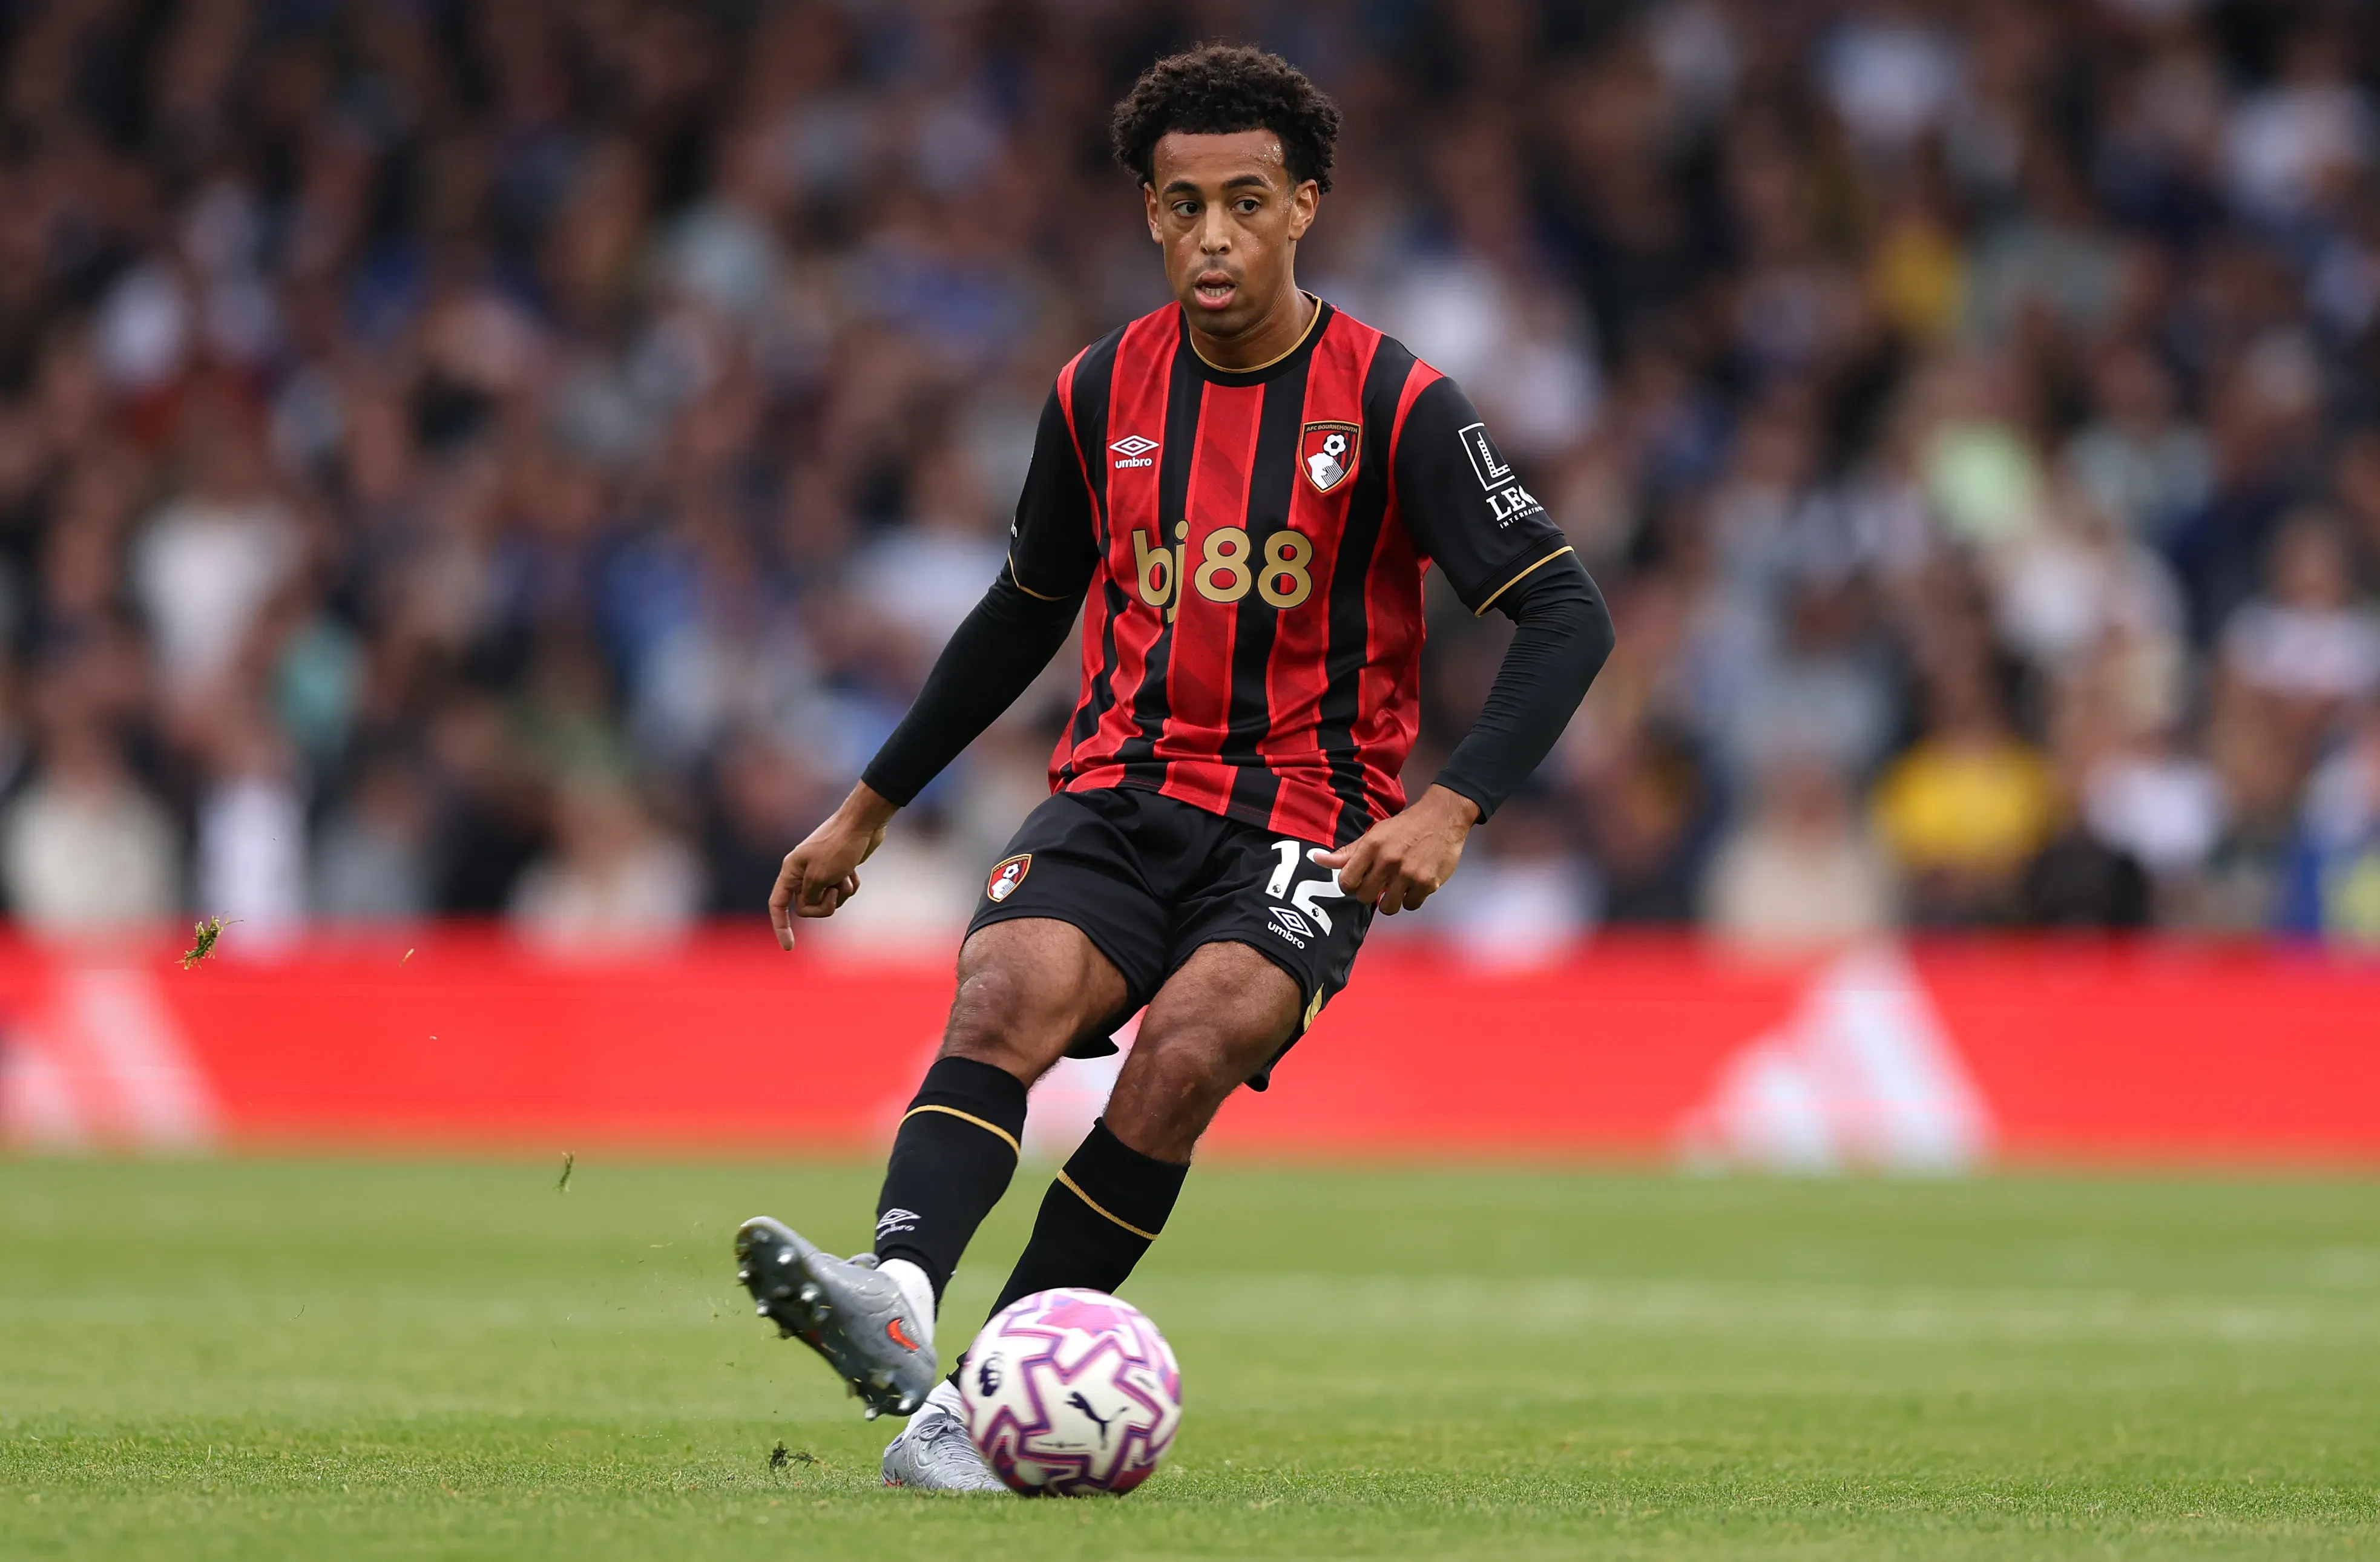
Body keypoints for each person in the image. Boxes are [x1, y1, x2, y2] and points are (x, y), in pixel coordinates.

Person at [732, 45, 1614, 1491]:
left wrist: (1451, 808)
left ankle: (968, 1403)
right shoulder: (1096, 394)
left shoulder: (1396, 403)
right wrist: (866, 806)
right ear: (1148, 214)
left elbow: (1565, 613)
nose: (1213, 235)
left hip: (1306, 820)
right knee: (1004, 991)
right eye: (1183, 203)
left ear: (1303, 207)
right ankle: (897, 1292)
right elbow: (1024, 609)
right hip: (1120, 786)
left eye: (1245, 202)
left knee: (1192, 1047)